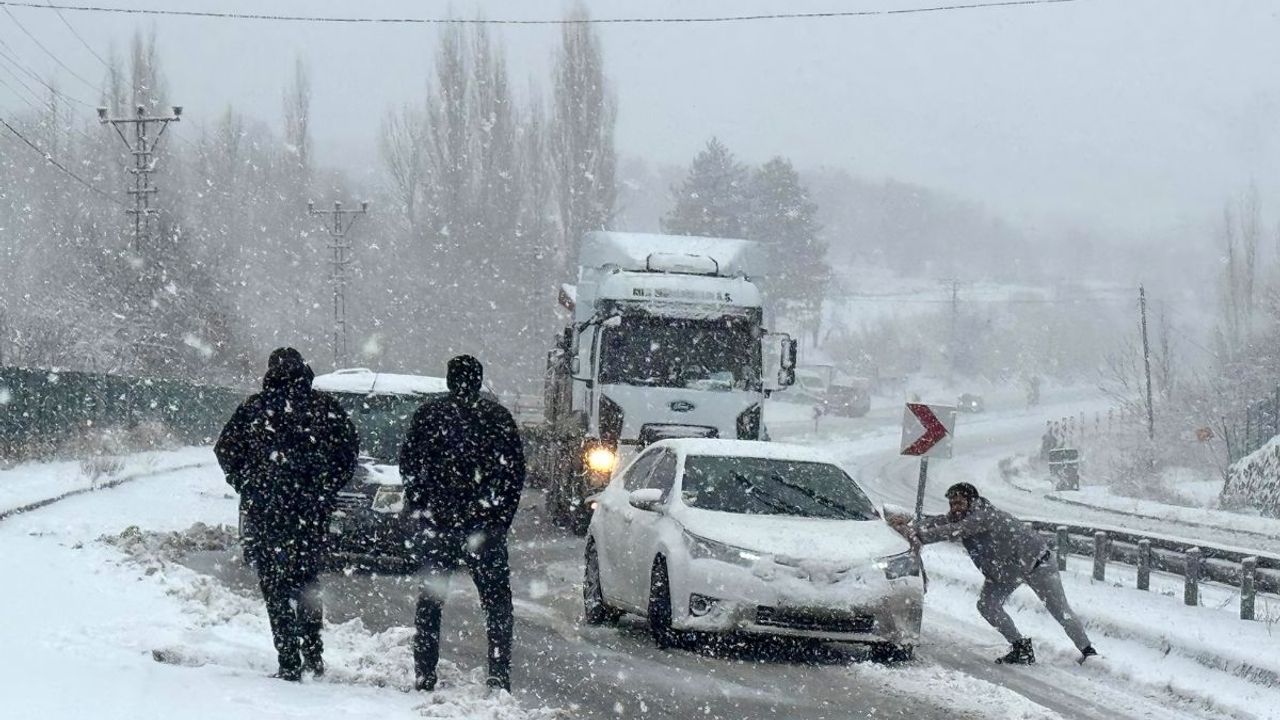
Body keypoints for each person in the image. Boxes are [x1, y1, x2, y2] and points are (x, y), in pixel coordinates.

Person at [214, 347, 358, 681]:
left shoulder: (254, 409)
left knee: (274, 586)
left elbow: (225, 449)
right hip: (311, 513)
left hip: (266, 514)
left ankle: (288, 658)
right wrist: (326, 488)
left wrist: (247, 484)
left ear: (270, 371)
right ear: (304, 370)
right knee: (307, 580)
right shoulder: (325, 409)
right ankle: (313, 652)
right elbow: (348, 452)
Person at [399, 355, 525, 692]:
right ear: (479, 380)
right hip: (483, 526)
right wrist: (499, 519)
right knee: (496, 603)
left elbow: (410, 466)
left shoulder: (429, 416)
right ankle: (498, 672)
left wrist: (422, 506)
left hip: (440, 524)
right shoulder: (497, 418)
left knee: (431, 601)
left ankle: (425, 672)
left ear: (450, 380)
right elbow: (514, 476)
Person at [888, 482, 1096, 665]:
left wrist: (915, 534)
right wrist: (908, 526)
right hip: (1005, 571)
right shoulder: (961, 516)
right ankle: (1021, 648)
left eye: (959, 503)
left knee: (1059, 610)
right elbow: (941, 522)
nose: (955, 508)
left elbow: (951, 530)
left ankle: (1088, 652)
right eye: (952, 504)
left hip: (1037, 563)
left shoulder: (984, 516)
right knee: (987, 606)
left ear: (972, 501)